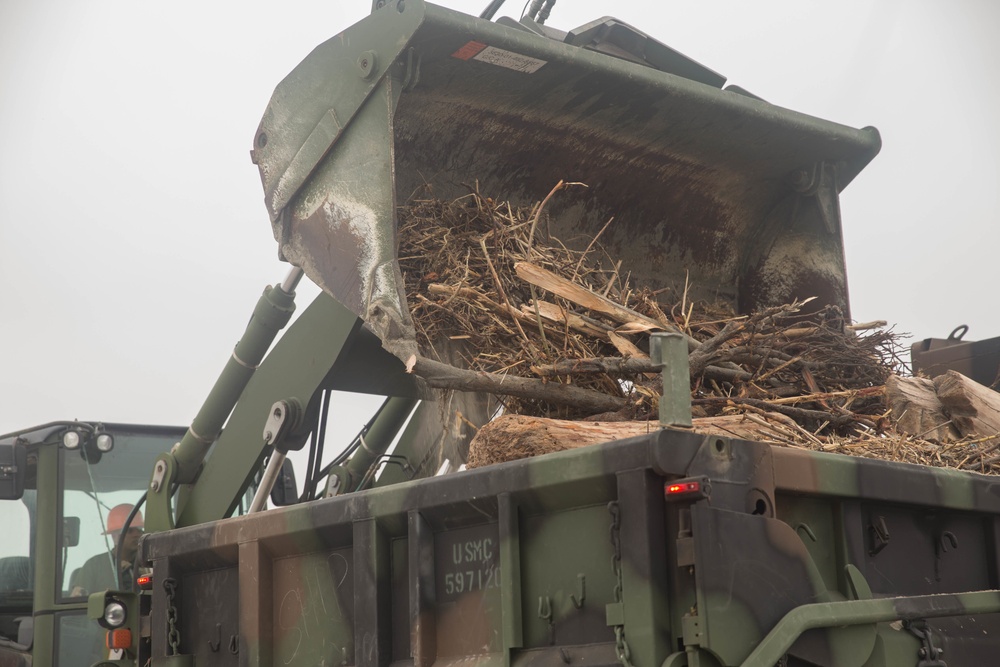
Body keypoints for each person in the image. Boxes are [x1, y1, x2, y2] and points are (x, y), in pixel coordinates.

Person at [69, 504, 144, 597]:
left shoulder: (150, 565)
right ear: (114, 536)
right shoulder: (94, 567)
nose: (137, 534)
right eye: (130, 530)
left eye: (140, 529)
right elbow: (77, 604)